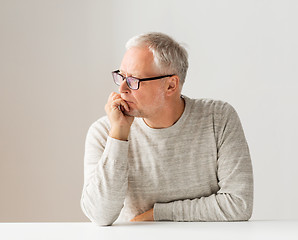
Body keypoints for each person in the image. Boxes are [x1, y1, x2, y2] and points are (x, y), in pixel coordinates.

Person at [80, 32, 254, 226]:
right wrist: (118, 135)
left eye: (133, 80)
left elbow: (238, 204)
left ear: (171, 85)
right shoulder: (104, 132)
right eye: (121, 76)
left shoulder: (218, 118)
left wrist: (156, 214)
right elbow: (99, 215)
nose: (122, 89)